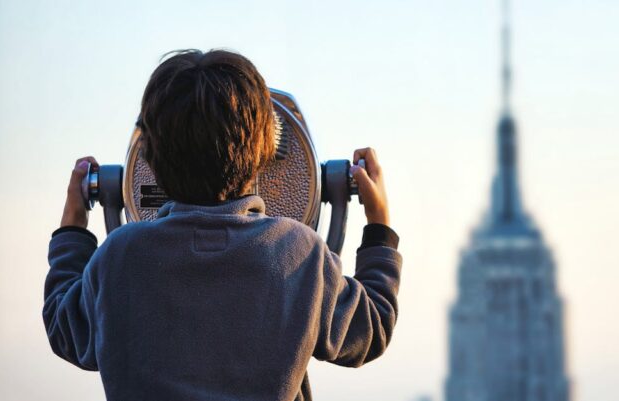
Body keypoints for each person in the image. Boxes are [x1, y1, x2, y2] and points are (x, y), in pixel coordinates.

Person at [43, 49, 402, 401]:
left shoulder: (120, 257)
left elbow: (65, 331)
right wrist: (379, 228)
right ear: (265, 149)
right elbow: (371, 328)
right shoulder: (299, 253)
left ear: (148, 155)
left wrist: (73, 229)